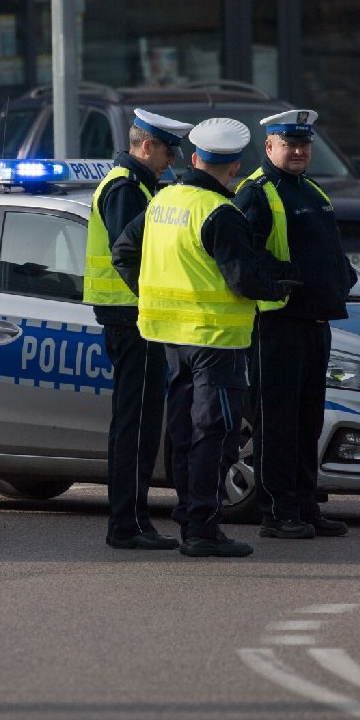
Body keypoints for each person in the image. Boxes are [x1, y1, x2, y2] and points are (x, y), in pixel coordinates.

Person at [111, 118, 293, 558]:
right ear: (234, 167)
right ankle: (202, 529)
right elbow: (243, 279)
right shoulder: (221, 213)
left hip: (170, 338)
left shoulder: (162, 201)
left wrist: (149, 293)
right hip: (218, 340)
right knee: (217, 433)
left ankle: (189, 518)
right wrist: (282, 288)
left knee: (186, 431)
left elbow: (122, 251)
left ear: (194, 158)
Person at [234, 109, 354, 540]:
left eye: (305, 143)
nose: (300, 150)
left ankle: (305, 505)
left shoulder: (313, 190)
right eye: (290, 143)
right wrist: (281, 278)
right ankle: (277, 511)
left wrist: (342, 280)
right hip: (276, 325)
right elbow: (243, 255)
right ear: (269, 147)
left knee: (308, 421)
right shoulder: (256, 193)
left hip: (314, 321)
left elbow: (332, 253)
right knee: (277, 422)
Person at [85, 108, 193, 550]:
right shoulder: (126, 189)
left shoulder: (140, 186)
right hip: (132, 318)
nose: (171, 161)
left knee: (142, 422)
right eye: (168, 151)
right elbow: (129, 252)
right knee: (137, 424)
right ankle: (127, 524)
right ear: (146, 146)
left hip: (136, 316)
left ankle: (133, 520)